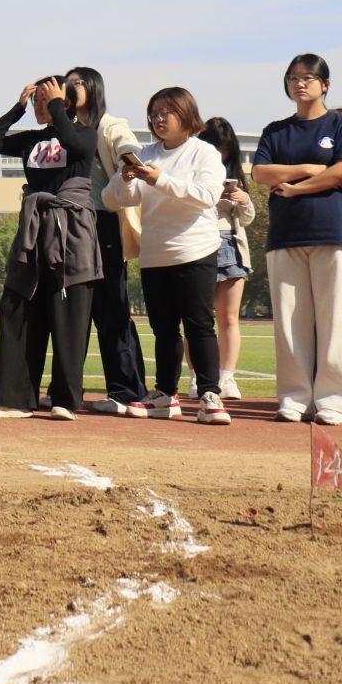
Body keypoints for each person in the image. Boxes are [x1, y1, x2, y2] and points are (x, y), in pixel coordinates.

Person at [0, 76, 102, 422]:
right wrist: (18, 108)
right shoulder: (32, 140)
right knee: (18, 306)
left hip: (72, 233)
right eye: (38, 99)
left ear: (65, 102)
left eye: (45, 98)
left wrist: (57, 106)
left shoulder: (84, 133)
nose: (40, 104)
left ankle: (65, 399)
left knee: (68, 313)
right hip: (34, 231)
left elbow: (74, 144)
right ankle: (13, 398)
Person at [105, 88, 229, 424]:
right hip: (155, 254)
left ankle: (210, 393)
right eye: (154, 113)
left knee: (199, 325)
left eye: (166, 112)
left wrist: (160, 179)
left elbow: (206, 195)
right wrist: (126, 179)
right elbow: (113, 200)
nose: (158, 119)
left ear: (186, 114)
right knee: (163, 329)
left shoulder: (203, 153)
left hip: (195, 250)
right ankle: (165, 394)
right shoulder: (145, 154)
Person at [253, 53, 342, 426]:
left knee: (337, 319)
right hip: (285, 235)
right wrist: (306, 169)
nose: (300, 84)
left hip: (332, 231)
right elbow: (260, 173)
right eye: (293, 78)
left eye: (308, 77)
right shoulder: (276, 130)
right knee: (289, 322)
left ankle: (333, 401)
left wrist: (296, 188)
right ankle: (294, 397)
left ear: (325, 84)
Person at [66, 66, 152, 417]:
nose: (69, 88)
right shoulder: (66, 128)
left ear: (93, 87)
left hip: (101, 223)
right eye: (66, 83)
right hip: (70, 225)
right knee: (73, 312)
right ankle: (67, 391)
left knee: (112, 310)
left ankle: (127, 391)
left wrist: (129, 157)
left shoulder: (108, 124)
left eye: (76, 83)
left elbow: (125, 144)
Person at [200, 117, 255, 400]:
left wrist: (243, 199)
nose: (220, 154)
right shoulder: (194, 168)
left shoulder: (235, 175)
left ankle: (227, 377)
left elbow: (247, 219)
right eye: (215, 147)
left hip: (231, 245)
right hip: (199, 244)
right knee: (199, 319)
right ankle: (198, 377)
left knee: (229, 318)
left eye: (224, 148)